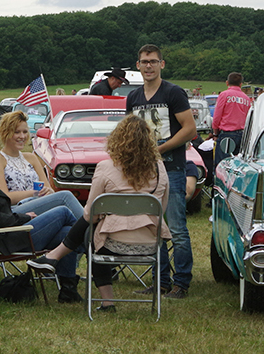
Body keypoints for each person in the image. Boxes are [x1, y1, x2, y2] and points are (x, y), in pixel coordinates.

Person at [28, 114, 171, 311]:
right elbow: (161, 208)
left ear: (118, 140)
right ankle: (54, 257)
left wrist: (109, 217)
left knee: (93, 233)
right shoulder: (160, 168)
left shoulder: (105, 167)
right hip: (150, 243)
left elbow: (90, 214)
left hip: (112, 244)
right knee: (96, 230)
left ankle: (107, 302)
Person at [0, 132, 81, 303]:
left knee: (68, 232)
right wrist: (23, 218)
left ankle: (68, 291)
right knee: (62, 211)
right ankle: (91, 242)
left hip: (10, 234)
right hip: (9, 239)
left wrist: (20, 216)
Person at [125, 44, 197, 299]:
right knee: (153, 228)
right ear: (138, 65)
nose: (149, 66)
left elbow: (190, 129)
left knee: (176, 228)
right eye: (144, 62)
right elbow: (129, 134)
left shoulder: (173, 93)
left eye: (153, 61)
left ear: (161, 64)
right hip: (144, 171)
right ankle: (160, 281)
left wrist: (161, 148)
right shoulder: (133, 98)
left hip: (173, 168)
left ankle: (182, 283)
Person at [0, 110, 84, 219]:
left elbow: (48, 189)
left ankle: (88, 233)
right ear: (6, 133)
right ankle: (92, 229)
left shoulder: (31, 158)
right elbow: (5, 197)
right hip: (16, 210)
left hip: (38, 204)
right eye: (17, 132)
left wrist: (48, 191)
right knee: (65, 196)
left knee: (67, 227)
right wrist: (35, 193)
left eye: (25, 132)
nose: (22, 136)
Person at [212, 72, 252, 162]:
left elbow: (217, 116)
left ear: (227, 83)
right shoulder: (246, 98)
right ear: (241, 84)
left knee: (222, 165)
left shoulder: (224, 95)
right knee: (238, 163)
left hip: (227, 135)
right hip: (242, 135)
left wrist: (215, 132)